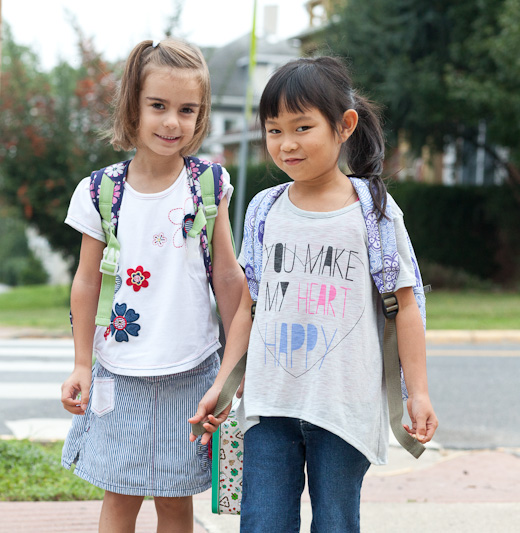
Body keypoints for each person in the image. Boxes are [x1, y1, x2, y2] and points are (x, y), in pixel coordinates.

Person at [188, 56, 439, 532]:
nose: (286, 144)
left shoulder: (375, 212)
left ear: (344, 126)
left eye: (302, 127)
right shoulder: (264, 208)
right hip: (270, 405)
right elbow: (248, 306)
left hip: (344, 408)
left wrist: (418, 393)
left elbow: (404, 306)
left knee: (336, 524)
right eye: (274, 130)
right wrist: (222, 385)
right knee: (262, 524)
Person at [60, 38, 245, 532]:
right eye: (158, 106)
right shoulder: (100, 191)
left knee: (174, 499)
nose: (172, 122)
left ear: (200, 115)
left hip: (192, 367)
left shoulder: (208, 184)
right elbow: (85, 282)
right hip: (119, 369)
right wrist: (82, 362)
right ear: (133, 106)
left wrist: (233, 369)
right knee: (119, 495)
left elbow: (227, 276)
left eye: (187, 110)